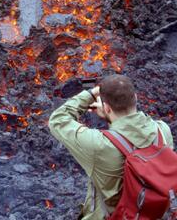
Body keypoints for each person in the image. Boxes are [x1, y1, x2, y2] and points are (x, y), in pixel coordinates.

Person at [48, 74, 174, 219]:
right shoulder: (162, 131)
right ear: (135, 97)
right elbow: (134, 134)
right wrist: (111, 116)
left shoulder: (99, 145)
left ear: (106, 108)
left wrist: (91, 93)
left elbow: (57, 120)